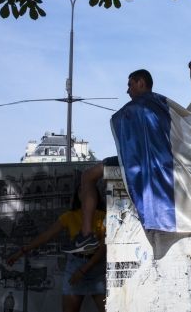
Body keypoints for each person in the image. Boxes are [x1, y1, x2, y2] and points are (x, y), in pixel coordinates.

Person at [62, 69, 153, 253]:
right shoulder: (160, 105)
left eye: (130, 85)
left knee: (87, 175)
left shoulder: (137, 108)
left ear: (141, 83)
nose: (128, 91)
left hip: (137, 160)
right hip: (157, 161)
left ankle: (86, 234)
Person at [7, 184, 106, 312]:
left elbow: (104, 247)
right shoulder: (70, 216)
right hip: (75, 265)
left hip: (96, 267)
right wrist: (22, 251)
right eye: (81, 190)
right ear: (78, 196)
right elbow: (47, 235)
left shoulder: (104, 216)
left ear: (95, 194)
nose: (85, 193)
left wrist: (83, 270)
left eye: (89, 189)